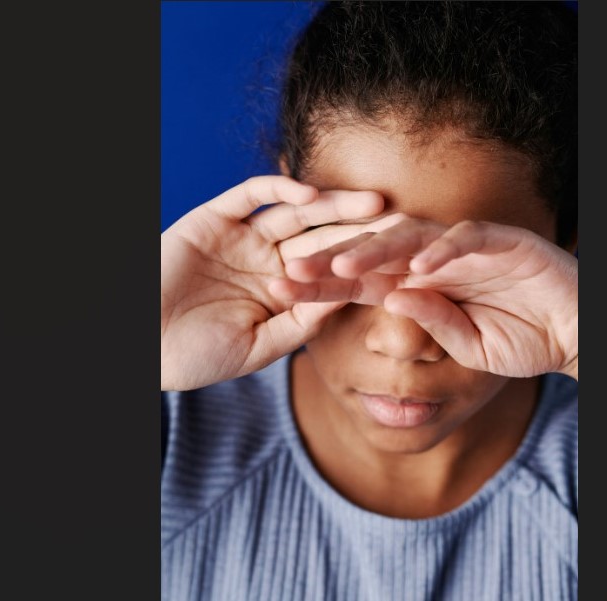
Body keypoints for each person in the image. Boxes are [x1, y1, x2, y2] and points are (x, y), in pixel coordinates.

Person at [161, 2, 578, 599]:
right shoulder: (171, 436)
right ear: (288, 215)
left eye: (466, 272)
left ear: (566, 237)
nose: (402, 341)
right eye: (351, 257)